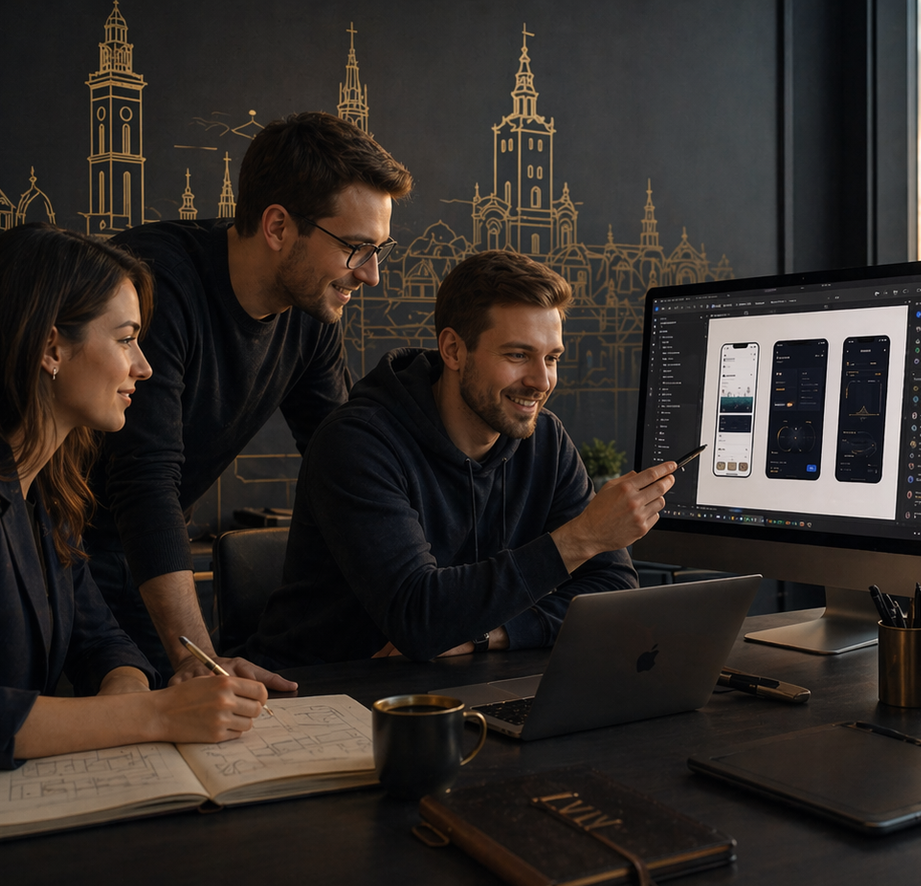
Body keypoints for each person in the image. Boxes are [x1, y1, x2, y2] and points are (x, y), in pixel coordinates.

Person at [0, 223, 268, 773]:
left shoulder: (41, 489)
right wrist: (154, 715)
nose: (144, 366)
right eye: (125, 338)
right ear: (51, 348)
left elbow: (107, 645)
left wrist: (131, 693)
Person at [88, 111, 413, 688]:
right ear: (279, 226)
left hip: (145, 549)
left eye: (381, 250)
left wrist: (407, 606)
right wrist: (199, 661)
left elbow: (345, 462)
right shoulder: (156, 281)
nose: (372, 276)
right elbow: (144, 481)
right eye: (357, 249)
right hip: (55, 545)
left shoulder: (311, 313)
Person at [245, 250, 670, 666]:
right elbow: (419, 619)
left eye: (552, 358)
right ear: (453, 350)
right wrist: (583, 537)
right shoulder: (358, 442)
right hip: (327, 696)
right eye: (517, 355)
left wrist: (494, 635)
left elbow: (612, 588)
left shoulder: (547, 441)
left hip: (463, 685)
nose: (541, 381)